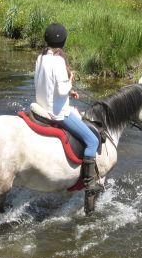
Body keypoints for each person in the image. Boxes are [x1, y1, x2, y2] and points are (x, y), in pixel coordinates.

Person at [34, 23, 101, 213]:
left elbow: (48, 85)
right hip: (57, 113)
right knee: (92, 140)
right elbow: (61, 88)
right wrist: (70, 81)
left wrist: (68, 92)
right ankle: (90, 188)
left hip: (40, 106)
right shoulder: (58, 61)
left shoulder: (40, 57)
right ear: (63, 41)